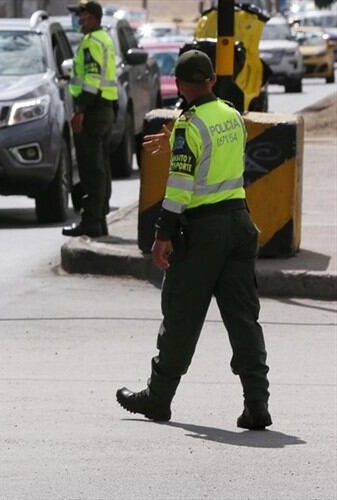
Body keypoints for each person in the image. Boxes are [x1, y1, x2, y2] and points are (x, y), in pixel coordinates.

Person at [116, 50, 271, 430]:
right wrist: (177, 139)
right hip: (239, 224)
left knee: (181, 316)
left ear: (180, 85)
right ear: (212, 81)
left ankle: (158, 397)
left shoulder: (188, 126)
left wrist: (161, 236)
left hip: (203, 232)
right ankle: (257, 403)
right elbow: (216, 153)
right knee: (243, 319)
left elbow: (181, 186)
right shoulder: (232, 115)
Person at [62, 1, 118, 238]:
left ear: (93, 18)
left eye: (81, 15)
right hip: (104, 110)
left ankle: (92, 221)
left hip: (93, 111)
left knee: (91, 170)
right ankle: (99, 218)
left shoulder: (92, 42)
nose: (78, 20)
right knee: (101, 168)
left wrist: (80, 111)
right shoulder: (103, 38)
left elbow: (92, 79)